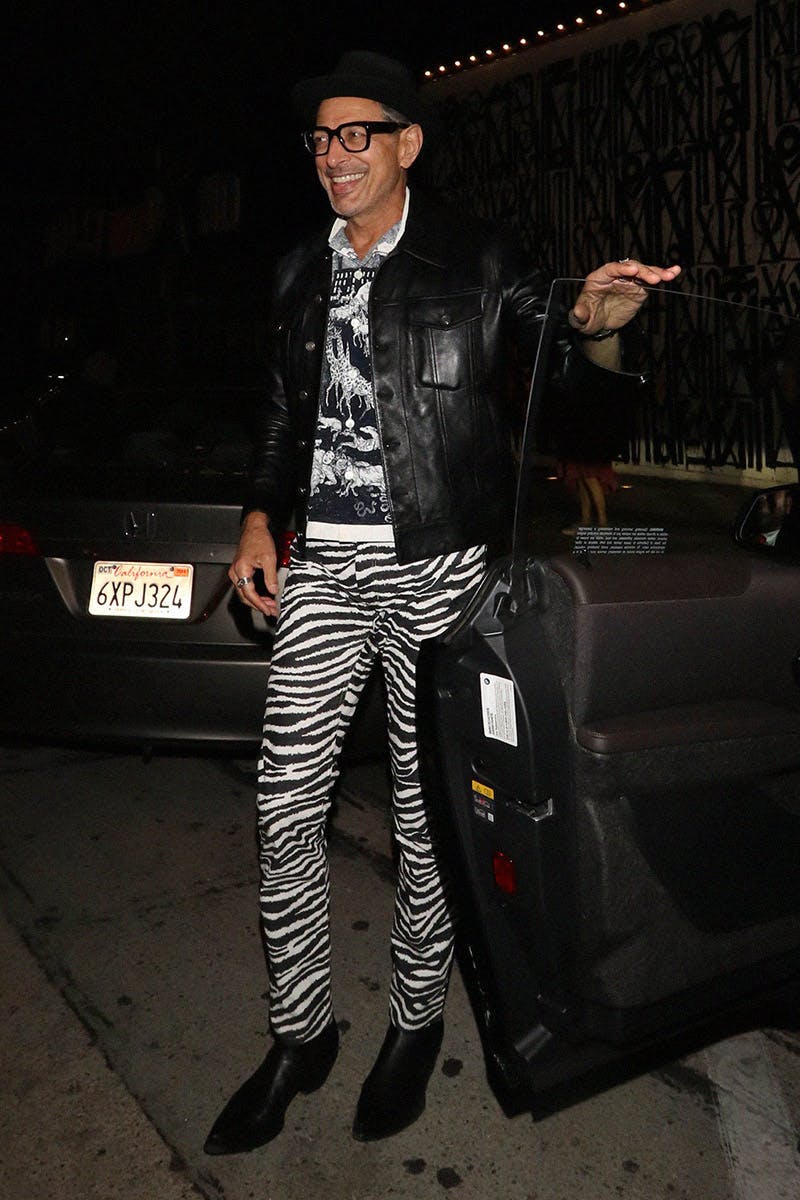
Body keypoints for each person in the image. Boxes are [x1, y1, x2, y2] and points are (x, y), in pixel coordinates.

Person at [204, 49, 681, 1156]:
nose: (333, 156)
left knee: (430, 821)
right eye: (320, 139)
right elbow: (279, 416)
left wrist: (599, 321)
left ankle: (415, 1023)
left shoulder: (475, 258)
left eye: (356, 134)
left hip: (439, 569)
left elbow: (568, 370)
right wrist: (258, 516)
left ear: (407, 142)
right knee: (283, 804)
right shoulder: (297, 273)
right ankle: (299, 1036)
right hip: (326, 569)